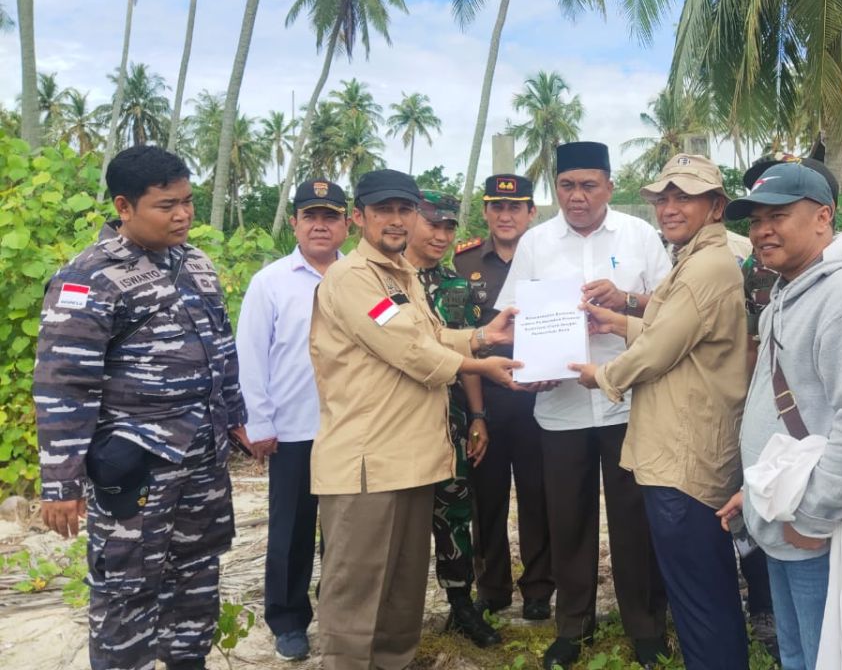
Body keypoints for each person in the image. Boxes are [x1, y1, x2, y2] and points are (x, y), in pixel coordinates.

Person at [34, 145, 249, 670]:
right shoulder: (88, 278)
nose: (182, 215)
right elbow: (64, 382)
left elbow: (220, 348)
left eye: (188, 201)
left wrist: (237, 417)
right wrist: (61, 484)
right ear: (125, 207)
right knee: (127, 590)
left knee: (197, 576)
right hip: (137, 466)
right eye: (166, 205)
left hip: (201, 456)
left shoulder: (195, 262)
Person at [308, 169, 521, 670]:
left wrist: (483, 335)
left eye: (405, 209)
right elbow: (411, 351)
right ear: (358, 217)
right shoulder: (354, 278)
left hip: (411, 459)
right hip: (366, 464)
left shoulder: (399, 274)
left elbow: (430, 335)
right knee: (357, 593)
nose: (396, 220)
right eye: (383, 210)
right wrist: (478, 363)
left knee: (402, 593)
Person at [719, 161, 842, 670]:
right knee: (799, 653)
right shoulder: (791, 288)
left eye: (777, 216)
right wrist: (759, 491)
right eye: (755, 220)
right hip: (787, 515)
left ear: (823, 217)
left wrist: (813, 516)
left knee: (832, 657)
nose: (761, 231)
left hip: (823, 529)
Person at [570, 154, 751, 669]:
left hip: (683, 456)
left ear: (716, 206)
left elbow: (658, 352)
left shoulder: (704, 267)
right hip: (684, 446)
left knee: (697, 590)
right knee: (702, 583)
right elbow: (678, 334)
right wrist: (618, 322)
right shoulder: (697, 260)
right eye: (663, 198)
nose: (670, 208)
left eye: (685, 197)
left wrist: (602, 376)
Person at [496, 141, 672, 669]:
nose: (577, 196)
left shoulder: (640, 236)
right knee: (567, 519)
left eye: (589, 185)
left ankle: (644, 627)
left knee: (633, 519)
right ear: (556, 189)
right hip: (562, 409)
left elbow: (670, 308)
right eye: (567, 185)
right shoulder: (535, 243)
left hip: (626, 404)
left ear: (609, 187)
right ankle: (573, 627)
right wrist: (529, 367)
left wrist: (629, 299)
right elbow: (513, 315)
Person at [235, 178, 350, 661]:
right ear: (295, 222)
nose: (320, 226)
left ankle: (343, 618)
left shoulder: (362, 278)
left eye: (330, 216)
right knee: (291, 530)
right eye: (310, 216)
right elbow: (250, 356)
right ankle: (287, 620)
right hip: (295, 430)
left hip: (352, 428)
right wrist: (258, 423)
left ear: (347, 223)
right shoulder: (272, 281)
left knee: (346, 534)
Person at [454, 174, 555, 621]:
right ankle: (491, 588)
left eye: (516, 207)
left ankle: (538, 589)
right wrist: (476, 413)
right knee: (486, 499)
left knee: (539, 497)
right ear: (486, 212)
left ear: (531, 212)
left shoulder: (550, 257)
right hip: (484, 397)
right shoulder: (465, 263)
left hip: (538, 395)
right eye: (497, 206)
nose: (506, 215)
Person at [404, 189, 502, 648]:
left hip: (450, 419)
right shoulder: (382, 282)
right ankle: (385, 611)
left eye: (449, 227)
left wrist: (478, 416)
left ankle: (461, 604)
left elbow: (470, 353)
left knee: (454, 511)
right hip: (397, 420)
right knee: (392, 519)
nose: (442, 235)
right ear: (409, 221)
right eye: (433, 224)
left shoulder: (456, 286)